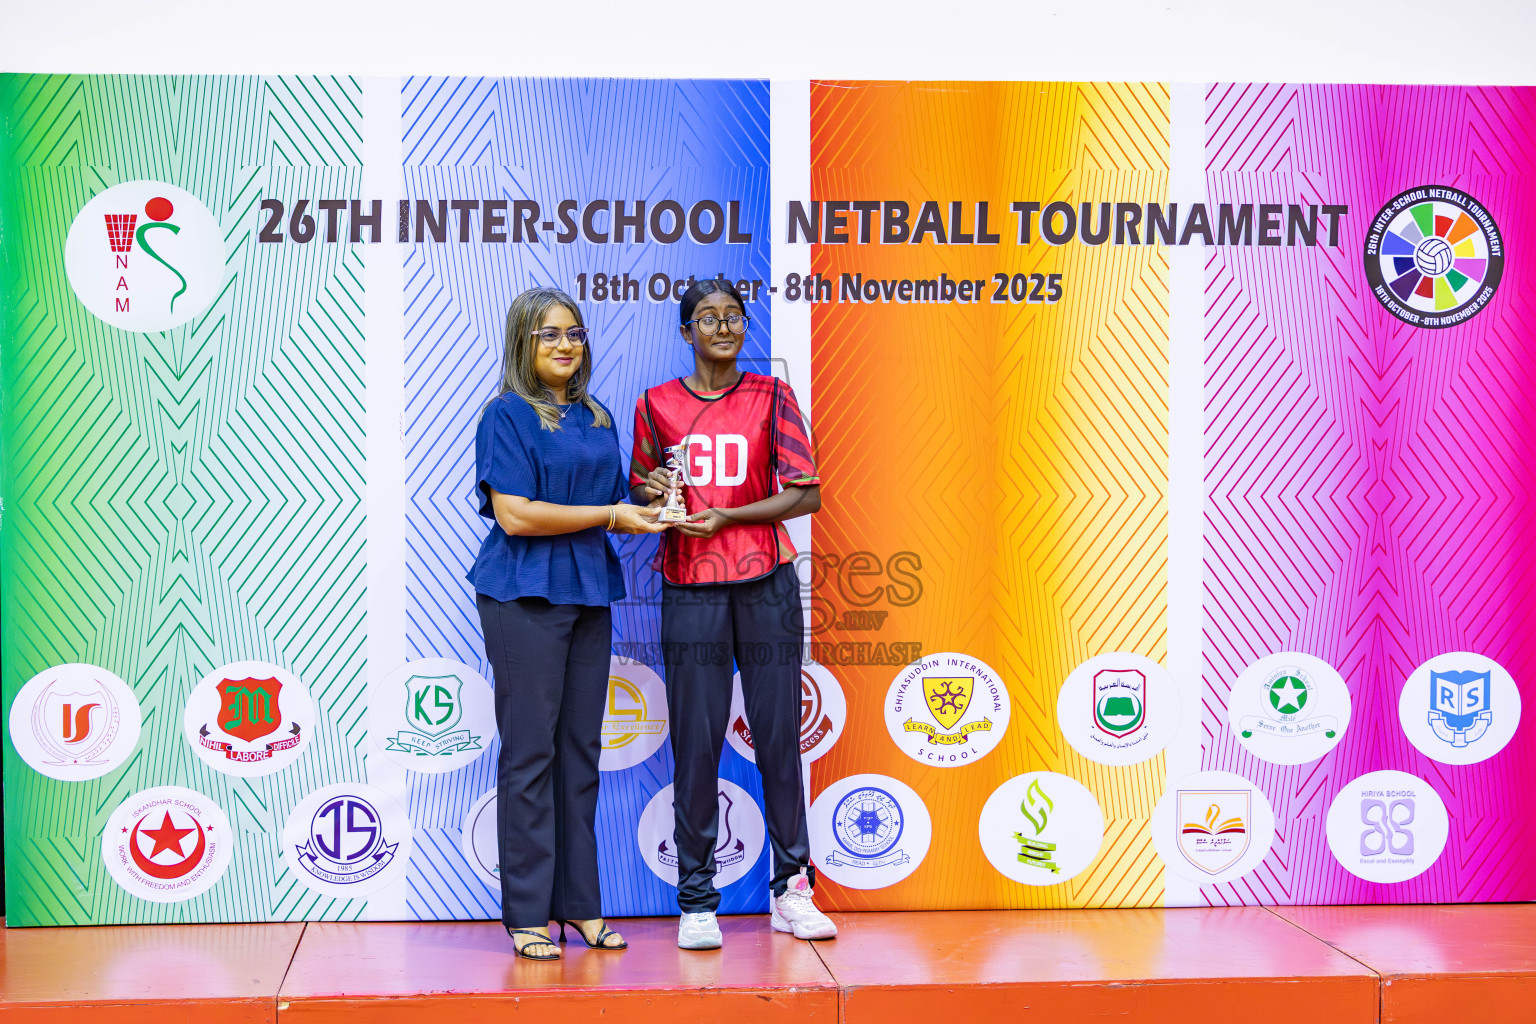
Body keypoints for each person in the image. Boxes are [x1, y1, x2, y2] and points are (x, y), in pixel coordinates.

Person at [630, 278, 837, 949]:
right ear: (686, 330)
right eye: (707, 318)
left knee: (779, 736)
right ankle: (696, 898)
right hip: (690, 585)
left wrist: (728, 516)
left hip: (766, 583)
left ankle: (793, 890)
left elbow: (805, 495)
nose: (723, 327)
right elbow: (641, 487)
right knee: (696, 740)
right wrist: (656, 489)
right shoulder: (655, 404)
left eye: (734, 317)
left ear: (745, 328)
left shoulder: (771, 396)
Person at [470, 286, 666, 961]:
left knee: (580, 753)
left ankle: (580, 908)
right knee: (531, 753)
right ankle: (527, 915)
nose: (564, 345)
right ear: (523, 344)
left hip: (587, 593)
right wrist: (615, 517)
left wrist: (646, 496)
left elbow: (610, 500)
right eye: (548, 334)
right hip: (522, 596)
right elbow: (517, 515)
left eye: (575, 333)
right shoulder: (507, 415)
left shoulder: (596, 415)